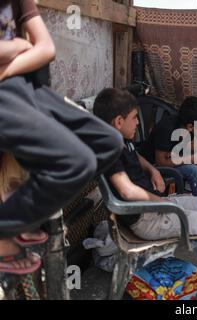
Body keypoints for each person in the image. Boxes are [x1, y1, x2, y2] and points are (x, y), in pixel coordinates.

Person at [93, 88, 197, 300]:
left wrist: (151, 170)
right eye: (134, 118)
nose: (137, 123)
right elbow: (127, 190)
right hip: (147, 218)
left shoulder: (119, 139)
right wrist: (159, 201)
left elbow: (137, 157)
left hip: (154, 206)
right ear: (118, 121)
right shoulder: (109, 149)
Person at [0, 0, 122, 274]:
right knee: (76, 162)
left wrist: (8, 63)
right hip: (9, 91)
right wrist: (20, 47)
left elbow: (45, 49)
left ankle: (23, 214)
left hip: (22, 84)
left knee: (108, 143)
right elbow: (29, 48)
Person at [142, 96, 197, 200]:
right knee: (194, 170)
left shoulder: (191, 128)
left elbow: (194, 145)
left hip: (173, 158)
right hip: (154, 167)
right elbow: (161, 162)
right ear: (190, 127)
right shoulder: (167, 129)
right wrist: (190, 158)